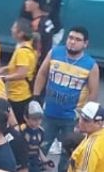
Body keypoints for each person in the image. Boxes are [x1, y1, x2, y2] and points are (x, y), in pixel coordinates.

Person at [34, 27, 100, 170]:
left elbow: (93, 94)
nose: (72, 42)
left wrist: (84, 119)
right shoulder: (55, 52)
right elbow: (42, 74)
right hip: (48, 115)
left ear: (85, 44)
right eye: (70, 38)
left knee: (68, 156)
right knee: (38, 150)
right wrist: (36, 98)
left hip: (71, 119)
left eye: (77, 39)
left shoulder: (91, 65)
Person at [5, 18, 39, 123]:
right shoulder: (27, 47)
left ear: (20, 33)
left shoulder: (22, 52)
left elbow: (21, 74)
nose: (11, 29)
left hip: (18, 96)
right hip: (20, 94)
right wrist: (2, 69)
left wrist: (3, 78)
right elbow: (15, 66)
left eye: (14, 28)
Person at [70, 102, 104, 172]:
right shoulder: (96, 134)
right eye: (81, 117)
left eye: (86, 120)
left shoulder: (91, 148)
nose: (80, 122)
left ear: (99, 123)